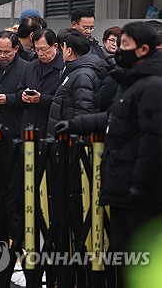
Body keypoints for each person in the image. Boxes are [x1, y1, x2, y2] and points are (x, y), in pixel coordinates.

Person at [55, 21, 162, 288]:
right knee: (123, 255)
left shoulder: (151, 85)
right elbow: (115, 118)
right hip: (120, 181)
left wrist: (139, 183)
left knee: (139, 258)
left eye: (125, 45)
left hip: (138, 190)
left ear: (144, 49)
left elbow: (152, 138)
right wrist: (75, 125)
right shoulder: (131, 80)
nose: (118, 49)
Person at [47, 29, 102, 137]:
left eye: (63, 47)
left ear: (69, 51)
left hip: (71, 141)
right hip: (64, 138)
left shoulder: (82, 76)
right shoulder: (74, 71)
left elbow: (83, 114)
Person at [17, 28, 64, 139]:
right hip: (29, 124)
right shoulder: (31, 66)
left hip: (51, 126)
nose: (40, 54)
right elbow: (19, 88)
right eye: (37, 50)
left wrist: (41, 99)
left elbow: (64, 100)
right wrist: (22, 95)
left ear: (55, 46)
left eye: (44, 49)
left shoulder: (64, 68)